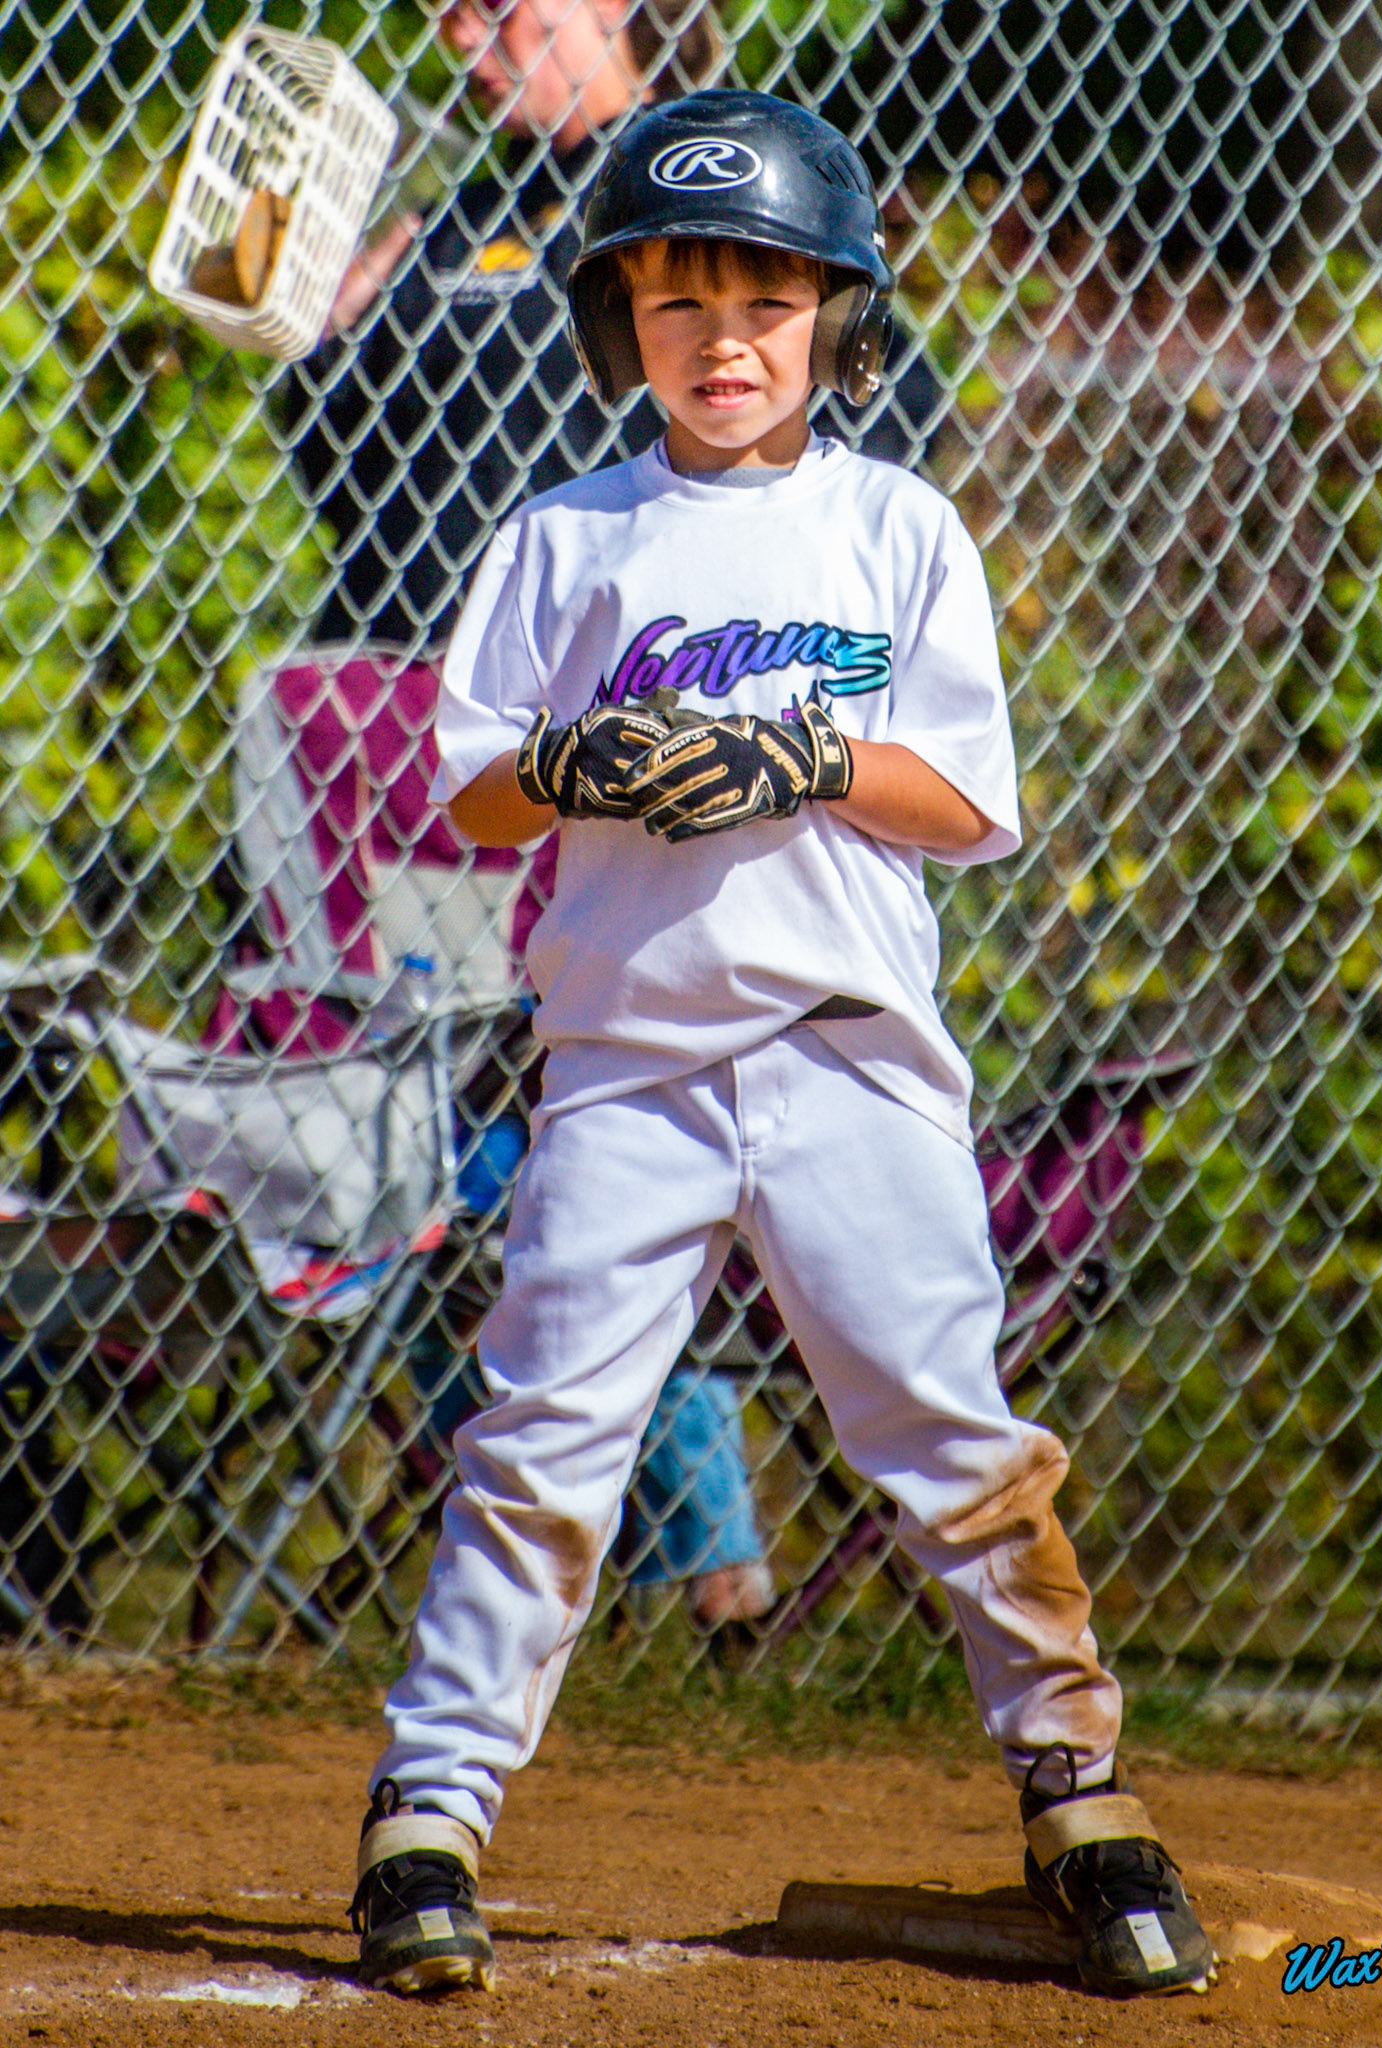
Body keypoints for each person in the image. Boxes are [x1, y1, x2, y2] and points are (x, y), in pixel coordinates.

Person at [344, 88, 1216, 2004]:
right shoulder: (564, 537)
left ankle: (1079, 1795)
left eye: (767, 302)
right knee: (541, 1438)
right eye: (675, 303)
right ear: (619, 326)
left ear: (837, 321)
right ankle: (428, 1815)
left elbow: (963, 802)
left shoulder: (894, 525)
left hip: (846, 1062)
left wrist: (807, 751)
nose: (722, 342)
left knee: (946, 1430)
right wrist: (576, 760)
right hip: (624, 1065)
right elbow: (475, 789)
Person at [267, 0, 776, 1630]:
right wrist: (321, 342)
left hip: (613, 747)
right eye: (453, 12)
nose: (465, 33)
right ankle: (567, 1534)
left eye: (503, 6)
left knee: (600, 1122)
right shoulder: (457, 222)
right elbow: (359, 497)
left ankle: (699, 1557)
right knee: (430, 1134)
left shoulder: (706, 193)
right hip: (427, 762)